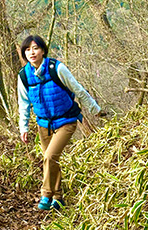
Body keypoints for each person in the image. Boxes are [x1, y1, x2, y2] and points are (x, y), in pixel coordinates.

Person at [17, 35, 102, 211]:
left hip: (66, 120)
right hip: (43, 124)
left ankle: (45, 194)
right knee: (52, 160)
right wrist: (23, 127)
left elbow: (77, 89)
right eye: (27, 49)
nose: (31, 53)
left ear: (43, 50)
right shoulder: (24, 76)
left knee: (49, 157)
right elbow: (24, 104)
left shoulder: (57, 68)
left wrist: (96, 110)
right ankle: (58, 198)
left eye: (35, 48)